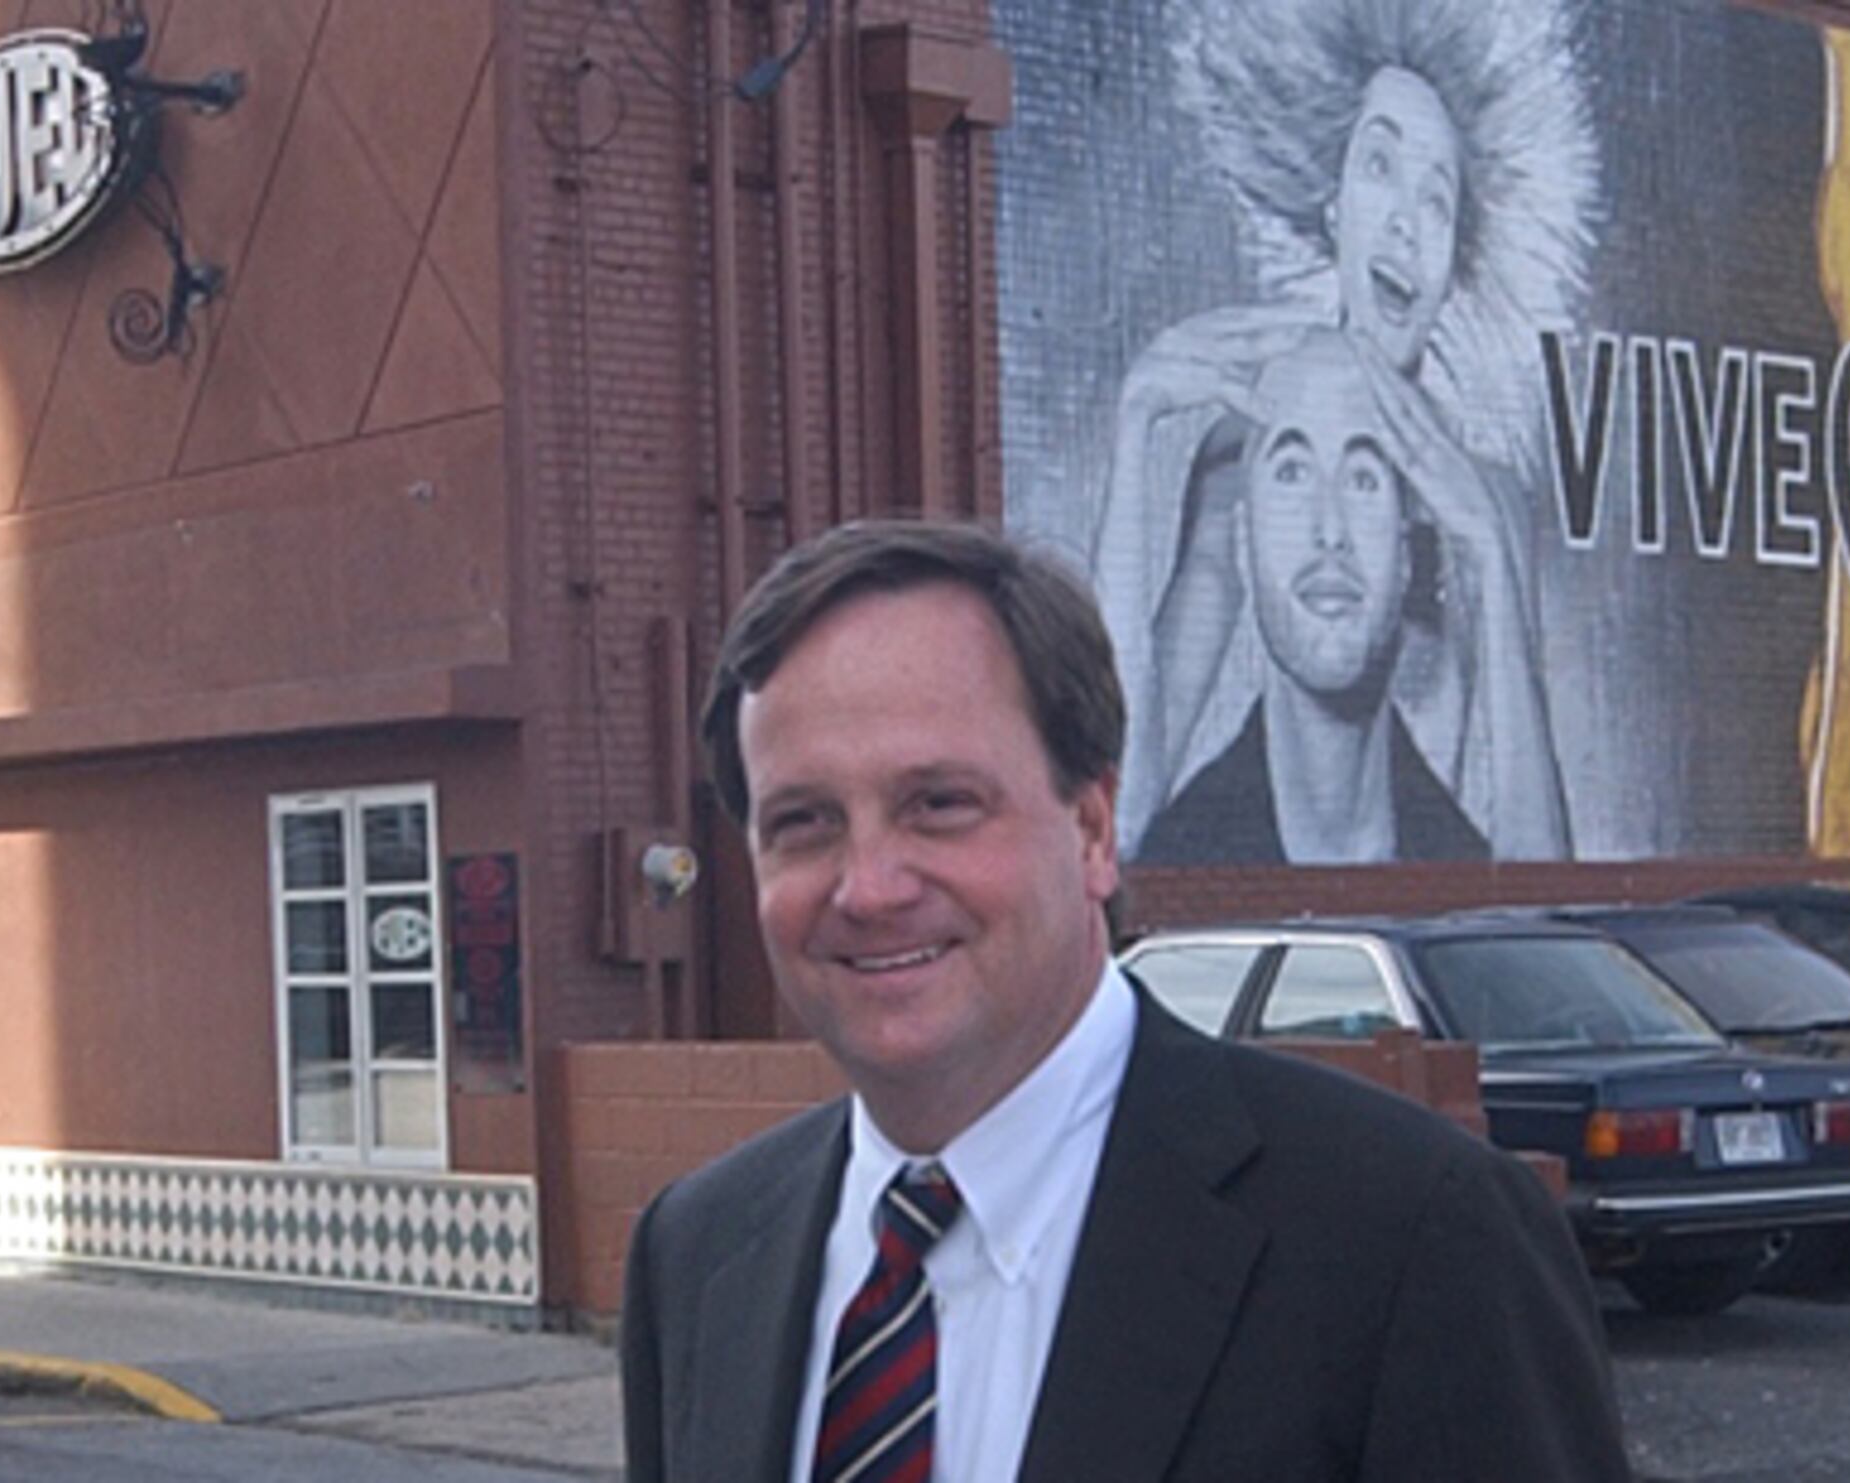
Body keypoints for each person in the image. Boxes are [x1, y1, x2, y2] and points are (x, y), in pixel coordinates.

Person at [618, 519, 1627, 1483]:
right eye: (805, 821)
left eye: (939, 804)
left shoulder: (1412, 1237)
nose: (870, 885)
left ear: (1093, 826)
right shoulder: (697, 1253)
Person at [1092, 0, 1592, 862]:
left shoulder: (1484, 499)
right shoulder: (1238, 449)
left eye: (1437, 201)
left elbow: (1533, 869)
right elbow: (1126, 798)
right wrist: (1136, 430)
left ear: (1454, 255)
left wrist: (1490, 562)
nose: (1404, 218)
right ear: (1335, 211)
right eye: (1381, 168)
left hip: (1428, 910)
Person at [1133, 337, 1538, 863]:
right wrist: (1133, 419)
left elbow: (1543, 905)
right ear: (1241, 544)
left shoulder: (1456, 859)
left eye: (1363, 481)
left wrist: (1491, 558)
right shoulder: (1181, 860)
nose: (1330, 530)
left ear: (1406, 556)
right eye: (1292, 474)